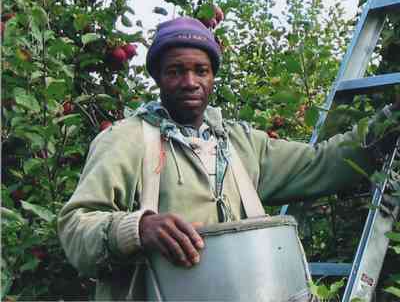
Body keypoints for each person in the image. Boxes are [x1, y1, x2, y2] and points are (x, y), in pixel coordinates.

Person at [58, 17, 400, 301]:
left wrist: (389, 121)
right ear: (158, 77)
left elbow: (321, 162)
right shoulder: (126, 141)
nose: (189, 82)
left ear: (212, 76)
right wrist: (138, 228)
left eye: (200, 70)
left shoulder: (239, 144)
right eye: (175, 71)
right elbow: (76, 226)